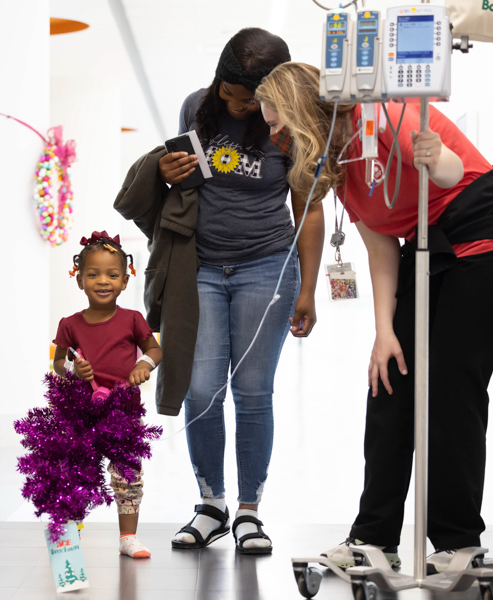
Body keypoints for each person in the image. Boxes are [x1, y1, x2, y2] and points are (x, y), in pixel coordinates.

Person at [255, 63, 493, 572]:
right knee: (389, 382)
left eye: (277, 123)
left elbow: (448, 172)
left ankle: (458, 543)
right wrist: (384, 332)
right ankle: (373, 538)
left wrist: (437, 156)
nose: (273, 135)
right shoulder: (339, 167)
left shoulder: (382, 116)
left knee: (451, 387)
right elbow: (381, 246)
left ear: (301, 111)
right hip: (425, 253)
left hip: (485, 239)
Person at [156, 29, 324, 555]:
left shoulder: (288, 123)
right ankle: (211, 503)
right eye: (229, 92)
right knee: (201, 387)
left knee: (253, 392)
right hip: (200, 267)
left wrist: (309, 289)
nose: (237, 104)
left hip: (267, 267)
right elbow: (180, 185)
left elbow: (309, 207)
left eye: (247, 98)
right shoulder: (194, 107)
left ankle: (249, 511)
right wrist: (164, 172)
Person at [52, 230, 163, 559]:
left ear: (125, 281)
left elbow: (155, 349)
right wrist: (71, 369)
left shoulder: (132, 320)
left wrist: (144, 365)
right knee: (75, 472)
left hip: (123, 413)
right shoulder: (70, 324)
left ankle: (128, 536)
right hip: (81, 414)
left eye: (112, 274)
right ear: (80, 281)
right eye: (93, 274)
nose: (103, 281)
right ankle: (69, 537)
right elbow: (58, 362)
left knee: (127, 473)